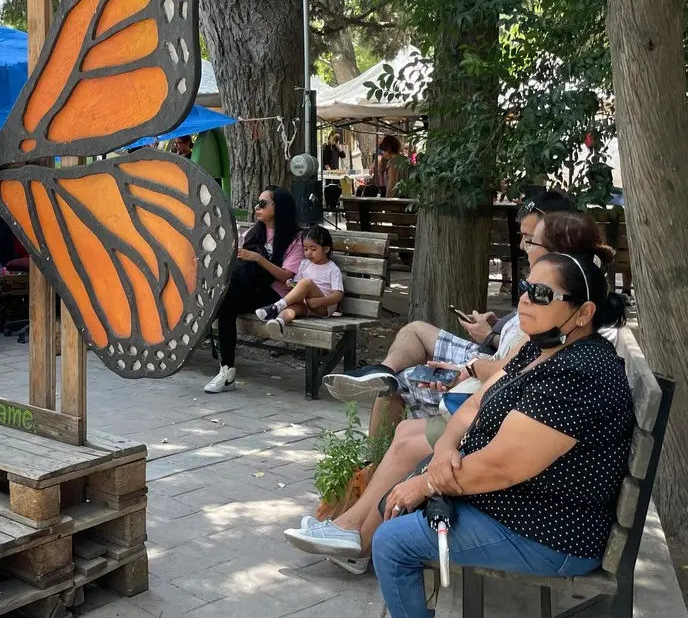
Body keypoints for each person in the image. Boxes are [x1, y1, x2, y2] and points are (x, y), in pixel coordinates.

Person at [283, 209, 617, 576]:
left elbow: (506, 453)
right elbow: (506, 380)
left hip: (543, 510)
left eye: (531, 239)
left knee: (410, 440)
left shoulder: (569, 346)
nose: (523, 246)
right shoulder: (553, 322)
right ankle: (383, 380)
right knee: (413, 345)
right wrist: (489, 332)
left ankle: (360, 537)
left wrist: (431, 476)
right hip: (494, 406)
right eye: (525, 288)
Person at [345, 253, 632, 618]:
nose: (526, 300)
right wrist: (444, 448)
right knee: (402, 497)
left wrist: (429, 481)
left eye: (542, 293)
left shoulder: (579, 375)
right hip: (526, 503)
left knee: (392, 540)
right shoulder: (541, 346)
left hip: (554, 532)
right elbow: (477, 403)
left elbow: (502, 466)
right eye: (526, 288)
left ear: (583, 312)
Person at [323, 190, 576, 437]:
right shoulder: (555, 279)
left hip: (488, 373)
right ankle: (381, 370)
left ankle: (374, 463)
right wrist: (496, 327)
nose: (522, 245)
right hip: (490, 357)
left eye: (529, 239)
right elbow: (524, 344)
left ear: (555, 237)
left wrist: (485, 343)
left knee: (398, 383)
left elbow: (520, 361)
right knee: (414, 330)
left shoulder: (558, 292)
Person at [204, 185, 302, 394]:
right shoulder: (253, 232)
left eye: (263, 204)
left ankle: (225, 367)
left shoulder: (294, 239)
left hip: (275, 294)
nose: (257, 207)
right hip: (247, 287)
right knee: (226, 302)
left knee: (225, 299)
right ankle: (227, 369)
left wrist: (257, 258)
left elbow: (286, 276)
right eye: (257, 203)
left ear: (280, 208)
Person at [255, 225, 344, 336]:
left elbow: (338, 295)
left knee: (307, 282)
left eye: (313, 249)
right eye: (305, 249)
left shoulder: (332, 269)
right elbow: (298, 285)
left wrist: (318, 301)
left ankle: (275, 307)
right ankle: (278, 323)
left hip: (323, 307)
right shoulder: (304, 264)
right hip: (306, 305)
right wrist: (291, 284)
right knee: (290, 310)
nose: (308, 253)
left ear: (326, 249)